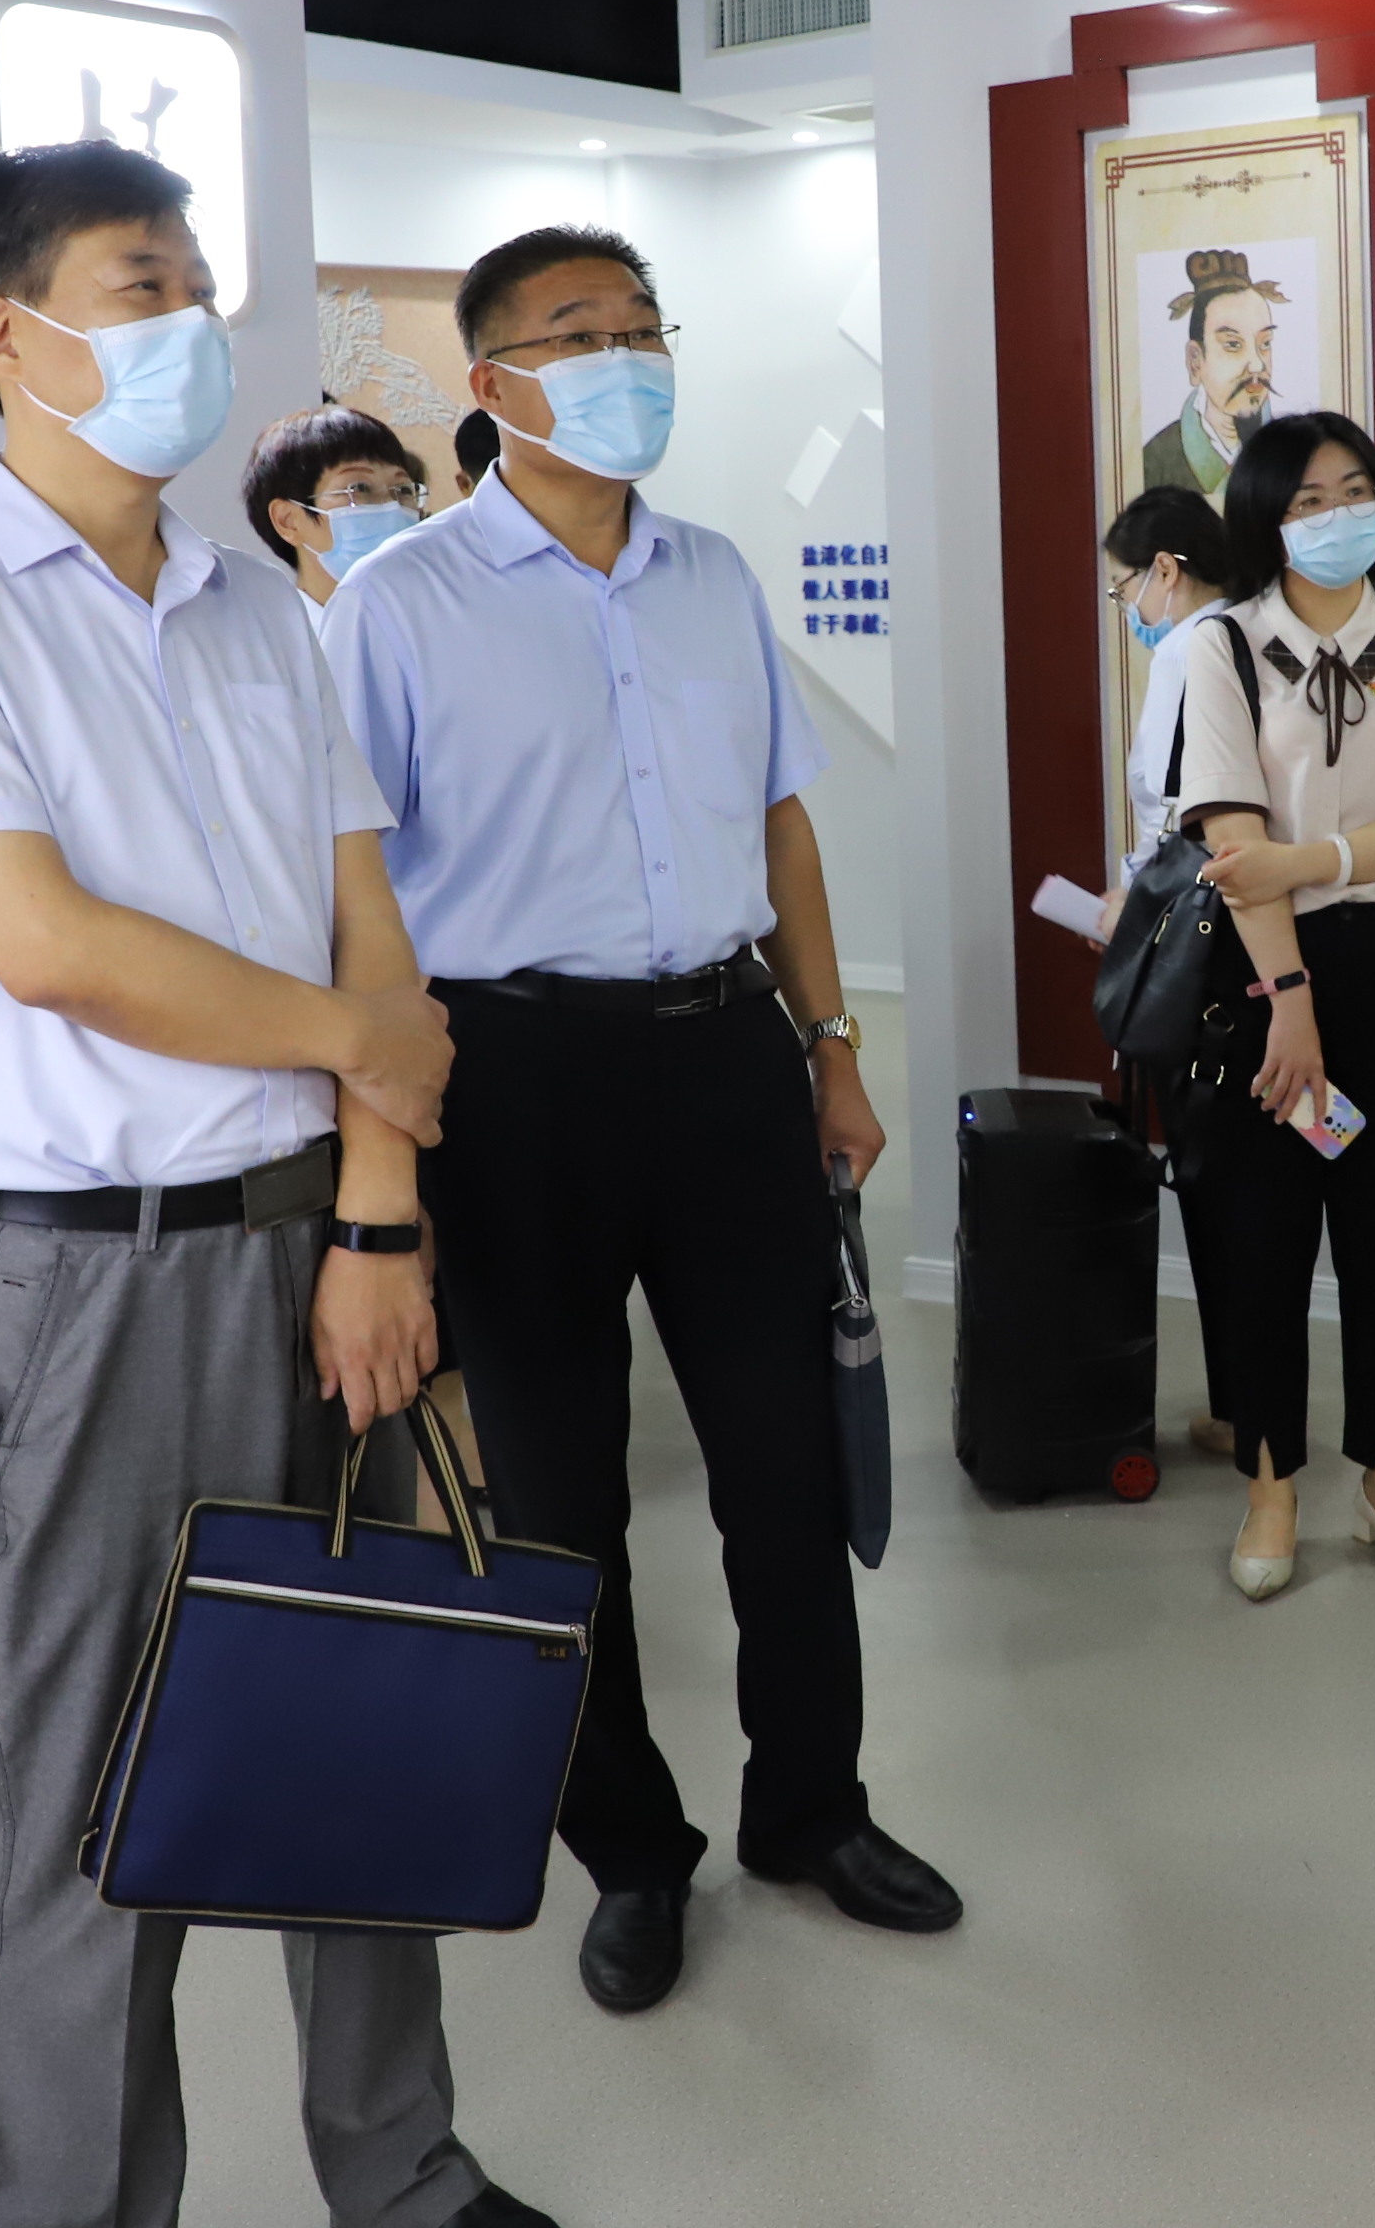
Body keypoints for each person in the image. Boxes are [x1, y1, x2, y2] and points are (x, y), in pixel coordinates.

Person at [0, 143, 546, 2228]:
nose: (194, 324)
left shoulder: (257, 610)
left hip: (322, 1241)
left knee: (356, 1719)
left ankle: (402, 2168)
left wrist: (377, 1212)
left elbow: (370, 926)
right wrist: (366, 1052)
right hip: (87, 1281)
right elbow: (50, 947)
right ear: (6, 332)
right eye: (145, 285)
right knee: (84, 1797)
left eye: (200, 284)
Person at [322, 222, 956, 2022]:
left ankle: (811, 1809)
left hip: (728, 1054)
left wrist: (833, 1050)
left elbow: (783, 827)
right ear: (490, 381)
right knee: (560, 1501)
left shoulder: (712, 573)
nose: (626, 358)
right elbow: (357, 903)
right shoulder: (401, 604)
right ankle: (631, 1848)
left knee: (786, 1468)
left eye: (643, 326)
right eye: (578, 331)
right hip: (514, 1081)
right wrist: (387, 1171)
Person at [1171, 412, 1375, 1600]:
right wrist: (1288, 1002)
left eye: (1356, 490)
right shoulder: (1221, 644)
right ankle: (1269, 1487)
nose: (1338, 514)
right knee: (1262, 1238)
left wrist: (1311, 862)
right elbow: (1231, 842)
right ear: (1265, 516)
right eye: (1308, 499)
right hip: (1264, 977)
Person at [1097, 484, 1244, 1460]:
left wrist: (1124, 903)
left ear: (1164, 570)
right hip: (1266, 940)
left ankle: (1240, 1405)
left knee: (1212, 1179)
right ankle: (1252, 1398)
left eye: (1124, 590)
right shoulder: (1259, 633)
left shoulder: (1191, 648)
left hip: (1200, 954)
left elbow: (1171, 813)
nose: (1129, 611)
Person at [243, 403, 430, 632]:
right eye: (359, 488)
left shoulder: (432, 625)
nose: (391, 507)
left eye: (403, 490)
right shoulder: (279, 643)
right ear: (288, 521)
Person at [1139, 249, 1285, 497]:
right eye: (1233, 345)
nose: (1257, 365)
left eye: (1265, 343)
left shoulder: (1293, 449)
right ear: (1196, 361)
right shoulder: (1156, 461)